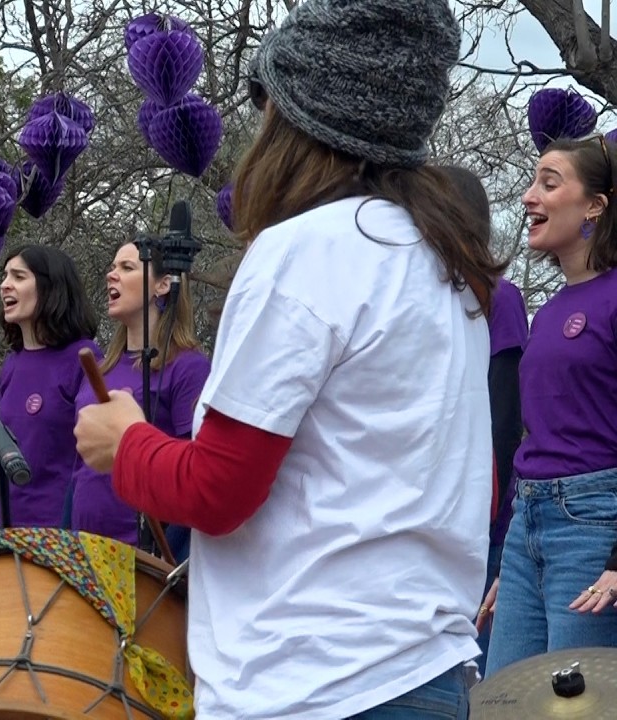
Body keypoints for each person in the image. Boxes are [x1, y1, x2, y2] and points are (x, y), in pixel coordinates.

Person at [74, 1, 503, 716]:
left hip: (312, 683)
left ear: (301, 116)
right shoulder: (444, 262)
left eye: (266, 102)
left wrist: (125, 443)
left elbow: (219, 492)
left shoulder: (309, 250)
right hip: (426, 674)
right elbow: (473, 487)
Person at [482, 133, 617, 675]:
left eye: (549, 182)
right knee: (504, 700)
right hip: (526, 530)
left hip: (594, 527)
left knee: (579, 703)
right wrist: (514, 555)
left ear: (595, 206)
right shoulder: (550, 310)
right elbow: (538, 436)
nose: (528, 196)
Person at [437, 165, 529, 674]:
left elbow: (504, 415)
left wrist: (487, 513)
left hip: (486, 510)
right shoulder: (428, 294)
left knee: (482, 667)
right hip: (436, 500)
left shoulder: (501, 295)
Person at [70, 241, 208, 546]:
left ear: (162, 285)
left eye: (126, 267)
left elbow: (194, 467)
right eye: (112, 266)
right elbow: (79, 466)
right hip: (84, 543)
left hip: (143, 552)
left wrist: (161, 554)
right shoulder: (101, 367)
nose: (111, 275)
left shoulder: (188, 367)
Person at [0, 245, 98, 531]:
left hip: (49, 529)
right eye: (4, 276)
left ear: (50, 288)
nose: (5, 285)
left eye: (18, 277)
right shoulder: (12, 363)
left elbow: (92, 456)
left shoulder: (84, 358)